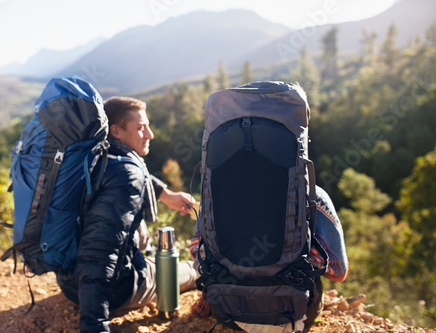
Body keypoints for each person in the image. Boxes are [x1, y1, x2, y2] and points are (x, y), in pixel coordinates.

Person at [56, 96, 198, 332]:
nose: (150, 134)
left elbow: (129, 177)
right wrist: (95, 325)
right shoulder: (126, 175)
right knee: (192, 269)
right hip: (116, 291)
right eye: (141, 128)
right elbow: (98, 256)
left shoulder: (94, 157)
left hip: (69, 282)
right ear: (117, 132)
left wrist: (165, 194)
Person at [189, 185, 348, 332]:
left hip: (226, 311)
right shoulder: (313, 194)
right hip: (295, 312)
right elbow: (338, 271)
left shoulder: (214, 190)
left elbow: (199, 252)